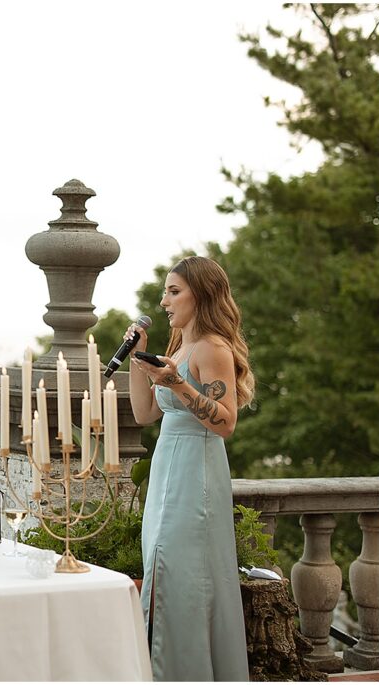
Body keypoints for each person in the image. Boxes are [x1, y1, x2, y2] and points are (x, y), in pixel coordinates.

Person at [128, 255, 254, 681]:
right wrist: (138, 359)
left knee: (184, 577)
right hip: (167, 469)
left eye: (173, 291)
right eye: (165, 291)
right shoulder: (178, 349)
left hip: (196, 473)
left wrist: (178, 384)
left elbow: (226, 423)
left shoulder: (212, 348)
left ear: (200, 294)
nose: (164, 301)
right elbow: (145, 414)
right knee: (161, 569)